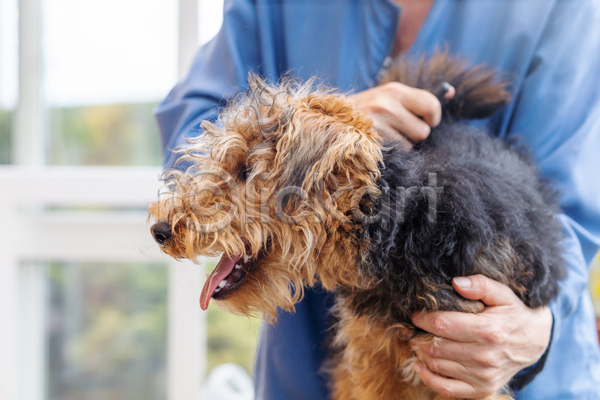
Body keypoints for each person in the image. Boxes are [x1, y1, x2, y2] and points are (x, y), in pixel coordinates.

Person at [155, 0, 600, 398]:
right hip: (308, 369)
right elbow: (196, 118)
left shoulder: (562, 8)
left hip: (517, 357)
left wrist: (540, 327)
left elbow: (573, 214)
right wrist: (330, 128)